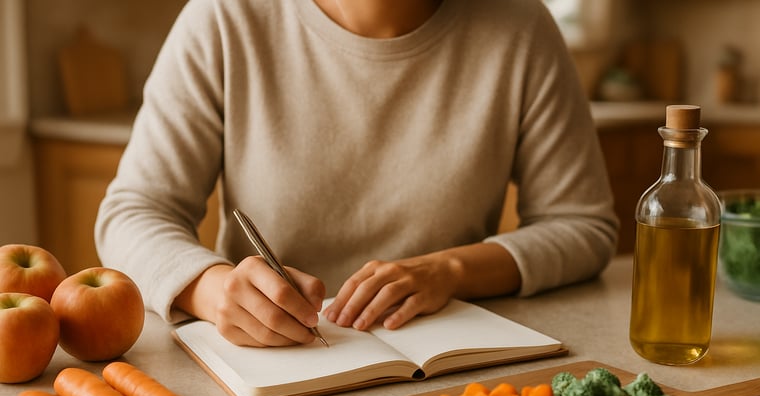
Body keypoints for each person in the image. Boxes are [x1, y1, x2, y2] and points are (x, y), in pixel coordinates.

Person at [95, 0, 619, 348]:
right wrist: (212, 290)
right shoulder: (226, 18)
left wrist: (452, 271)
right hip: (267, 365)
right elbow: (134, 212)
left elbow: (582, 225)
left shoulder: (522, 27)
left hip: (450, 365)